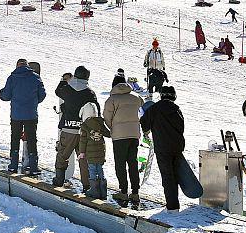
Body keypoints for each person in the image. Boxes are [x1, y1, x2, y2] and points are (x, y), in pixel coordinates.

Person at [140, 86, 187, 210]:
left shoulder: (155, 109)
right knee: (175, 174)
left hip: (162, 147)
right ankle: (174, 201)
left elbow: (144, 125)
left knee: (167, 176)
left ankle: (172, 206)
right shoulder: (177, 110)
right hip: (177, 147)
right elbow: (181, 128)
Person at [54, 66, 98, 189]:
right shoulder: (90, 92)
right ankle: (87, 185)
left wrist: (63, 80)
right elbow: (96, 109)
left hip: (68, 129)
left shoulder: (67, 89)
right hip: (83, 131)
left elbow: (58, 91)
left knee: (62, 155)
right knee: (84, 158)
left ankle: (59, 180)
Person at [0, 58, 46, 175]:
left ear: (17, 66)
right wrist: (33, 102)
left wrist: (1, 93)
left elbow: (5, 95)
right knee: (31, 139)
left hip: (16, 114)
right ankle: (33, 166)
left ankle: (13, 165)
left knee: (15, 138)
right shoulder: (35, 77)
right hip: (31, 114)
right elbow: (42, 94)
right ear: (27, 65)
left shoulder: (12, 78)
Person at [103, 76, 143, 207]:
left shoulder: (112, 99)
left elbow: (107, 117)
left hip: (119, 136)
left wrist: (113, 129)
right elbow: (142, 111)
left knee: (120, 164)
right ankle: (135, 192)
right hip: (134, 134)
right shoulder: (136, 97)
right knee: (133, 162)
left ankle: (124, 191)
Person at [77, 102, 110, 200]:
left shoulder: (85, 125)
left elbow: (83, 141)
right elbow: (108, 134)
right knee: (100, 169)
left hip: (90, 153)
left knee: (92, 170)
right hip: (100, 152)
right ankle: (103, 191)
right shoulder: (100, 122)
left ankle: (94, 190)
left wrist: (81, 152)